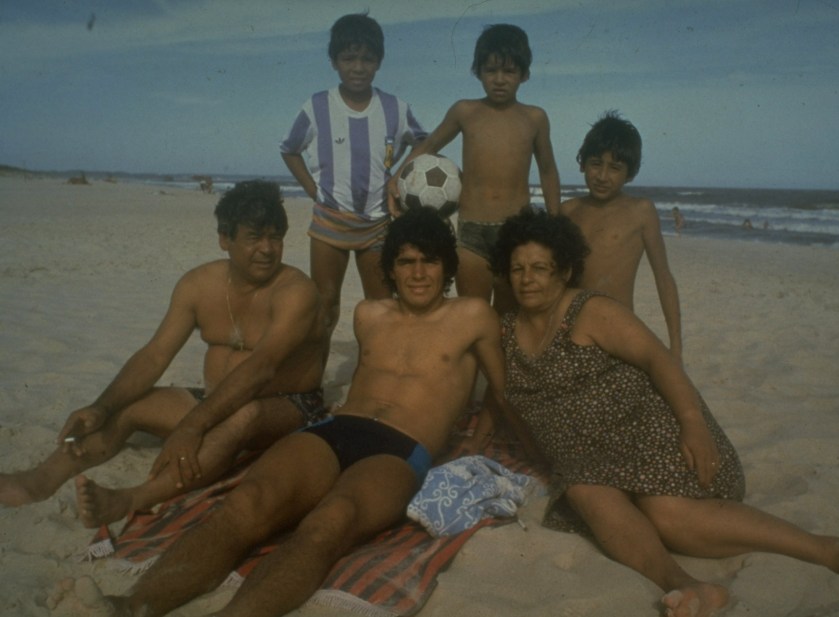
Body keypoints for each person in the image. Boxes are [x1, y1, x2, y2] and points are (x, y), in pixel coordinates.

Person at [47, 207, 512, 617]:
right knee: (246, 504)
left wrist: (479, 436)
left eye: (429, 261)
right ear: (390, 267)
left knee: (330, 522)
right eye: (405, 261)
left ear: (446, 266)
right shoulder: (370, 315)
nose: (417, 273)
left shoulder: (472, 316)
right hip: (338, 429)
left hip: (400, 447)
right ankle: (132, 605)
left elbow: (501, 387)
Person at [489, 208, 839, 617]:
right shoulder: (506, 332)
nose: (527, 278)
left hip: (652, 434)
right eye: (518, 268)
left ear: (563, 271)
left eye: (540, 267)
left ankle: (832, 550)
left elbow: (658, 360)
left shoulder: (589, 311)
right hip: (591, 461)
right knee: (580, 486)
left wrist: (693, 425)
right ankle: (686, 586)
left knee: (666, 514)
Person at [0, 181, 327, 529]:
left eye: (275, 237)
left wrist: (192, 424)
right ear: (225, 238)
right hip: (217, 401)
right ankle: (39, 480)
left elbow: (261, 368)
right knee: (130, 406)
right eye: (254, 237)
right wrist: (101, 406)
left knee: (244, 416)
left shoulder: (296, 292)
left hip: (289, 406)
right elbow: (155, 355)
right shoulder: (199, 285)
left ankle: (132, 498)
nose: (266, 249)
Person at [280, 12, 426, 380]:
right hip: (330, 221)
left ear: (378, 62)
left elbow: (423, 141)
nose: (358, 68)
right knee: (324, 306)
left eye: (367, 59)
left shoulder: (395, 107)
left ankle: (374, 380)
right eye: (349, 59)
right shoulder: (316, 106)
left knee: (379, 308)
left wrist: (397, 178)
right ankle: (311, 383)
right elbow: (290, 150)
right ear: (334, 62)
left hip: (377, 224)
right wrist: (314, 191)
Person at [390, 23, 561, 315]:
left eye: (509, 72)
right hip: (470, 232)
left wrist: (555, 222)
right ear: (477, 71)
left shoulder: (534, 118)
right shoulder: (465, 111)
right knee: (473, 313)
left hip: (514, 231)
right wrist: (396, 177)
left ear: (524, 74)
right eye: (490, 70)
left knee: (510, 316)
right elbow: (430, 144)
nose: (499, 80)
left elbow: (547, 171)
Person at [559, 111, 683, 360]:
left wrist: (676, 347)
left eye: (615, 168)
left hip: (619, 327)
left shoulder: (641, 211)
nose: (603, 176)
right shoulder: (568, 210)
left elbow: (664, 278)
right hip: (571, 328)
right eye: (596, 164)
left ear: (630, 173)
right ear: (583, 163)